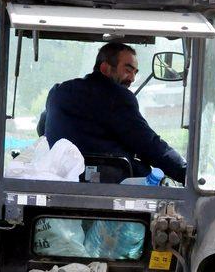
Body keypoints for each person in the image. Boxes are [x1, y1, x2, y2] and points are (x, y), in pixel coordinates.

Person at [42, 42, 187, 184]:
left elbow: (42, 128)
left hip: (59, 182)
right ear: (105, 68)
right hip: (112, 188)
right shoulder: (117, 97)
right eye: (128, 70)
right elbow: (148, 145)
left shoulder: (58, 92)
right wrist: (185, 172)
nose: (132, 78)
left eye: (135, 72)